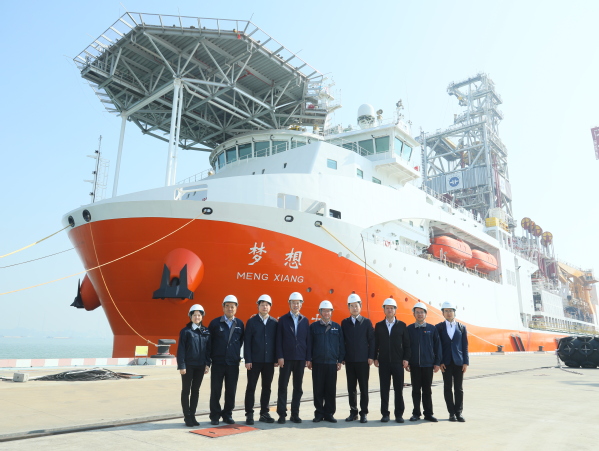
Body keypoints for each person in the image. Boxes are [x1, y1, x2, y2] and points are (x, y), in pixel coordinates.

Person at [208, 294, 245, 425]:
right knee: (216, 390)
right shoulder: (215, 323)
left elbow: (240, 342)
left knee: (231, 390)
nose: (230, 309)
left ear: (236, 308)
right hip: (218, 363)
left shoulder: (240, 324)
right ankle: (214, 415)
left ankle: (227, 414)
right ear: (223, 307)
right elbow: (209, 343)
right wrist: (208, 361)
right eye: (227, 306)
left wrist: (234, 355)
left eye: (232, 306)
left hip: (233, 363)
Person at [276, 291, 311, 424]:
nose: (296, 305)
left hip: (300, 358)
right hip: (286, 358)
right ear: (289, 304)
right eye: (293, 303)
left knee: (298, 387)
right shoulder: (283, 320)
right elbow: (279, 340)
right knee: (282, 386)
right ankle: (282, 414)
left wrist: (308, 358)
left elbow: (307, 341)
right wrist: (280, 356)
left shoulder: (305, 320)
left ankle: (295, 414)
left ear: (301, 304)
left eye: (298, 303)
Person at [374, 297, 411, 423]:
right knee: (384, 389)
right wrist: (375, 357)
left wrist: (406, 358)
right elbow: (375, 343)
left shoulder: (402, 325)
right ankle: (385, 414)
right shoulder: (379, 326)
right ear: (384, 310)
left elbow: (407, 345)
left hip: (398, 362)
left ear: (395, 310)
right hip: (383, 362)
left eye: (392, 308)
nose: (389, 310)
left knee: (398, 389)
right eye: (387, 308)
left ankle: (399, 414)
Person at [243, 294, 278, 425]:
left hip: (269, 361)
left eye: (267, 305)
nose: (264, 307)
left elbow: (277, 342)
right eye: (262, 304)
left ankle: (264, 413)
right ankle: (249, 414)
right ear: (258, 306)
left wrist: (276, 358)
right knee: (251, 387)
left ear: (270, 307)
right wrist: (248, 359)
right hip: (254, 361)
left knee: (267, 387)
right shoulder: (251, 322)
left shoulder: (274, 323)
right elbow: (247, 342)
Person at [309, 300, 345, 423]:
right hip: (317, 362)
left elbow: (341, 345)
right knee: (318, 389)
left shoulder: (337, 327)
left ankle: (329, 413)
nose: (326, 313)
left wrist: (340, 360)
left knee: (330, 390)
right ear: (320, 312)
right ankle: (319, 413)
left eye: (328, 311)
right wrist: (309, 359)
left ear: (331, 312)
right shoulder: (313, 327)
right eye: (324, 311)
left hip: (331, 363)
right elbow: (309, 344)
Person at [341, 293, 375, 423]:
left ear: (360, 306)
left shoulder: (366, 322)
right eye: (352, 306)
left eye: (356, 306)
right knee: (351, 388)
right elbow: (342, 341)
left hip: (363, 360)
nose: (354, 308)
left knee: (363, 388)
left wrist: (371, 356)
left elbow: (372, 340)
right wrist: (342, 357)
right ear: (348, 307)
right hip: (350, 360)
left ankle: (364, 413)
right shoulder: (345, 323)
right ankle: (353, 412)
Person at [177, 304, 211, 427]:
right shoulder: (186, 331)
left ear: (202, 316)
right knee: (186, 390)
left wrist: (207, 364)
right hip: (188, 366)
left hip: (200, 366)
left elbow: (208, 349)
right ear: (190, 316)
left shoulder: (206, 331)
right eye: (194, 315)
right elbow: (181, 349)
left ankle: (192, 415)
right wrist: (182, 365)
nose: (197, 317)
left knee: (195, 391)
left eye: (199, 315)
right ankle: (187, 417)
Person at [406, 302, 442, 423]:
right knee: (415, 390)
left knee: (427, 390)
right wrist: (407, 361)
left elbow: (437, 347)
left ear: (426, 314)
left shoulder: (432, 329)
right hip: (415, 365)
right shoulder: (409, 329)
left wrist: (437, 362)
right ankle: (416, 413)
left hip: (428, 364)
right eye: (417, 312)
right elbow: (406, 347)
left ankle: (428, 414)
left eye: (422, 312)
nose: (420, 314)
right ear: (414, 314)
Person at [435, 301, 469, 422]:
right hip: (446, 363)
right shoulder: (439, 327)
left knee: (459, 389)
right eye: (446, 311)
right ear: (443, 313)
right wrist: (440, 362)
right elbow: (437, 346)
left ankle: (459, 412)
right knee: (447, 388)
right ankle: (451, 413)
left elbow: (465, 346)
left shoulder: (461, 327)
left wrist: (466, 362)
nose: (449, 313)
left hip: (459, 362)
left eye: (451, 311)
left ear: (454, 312)